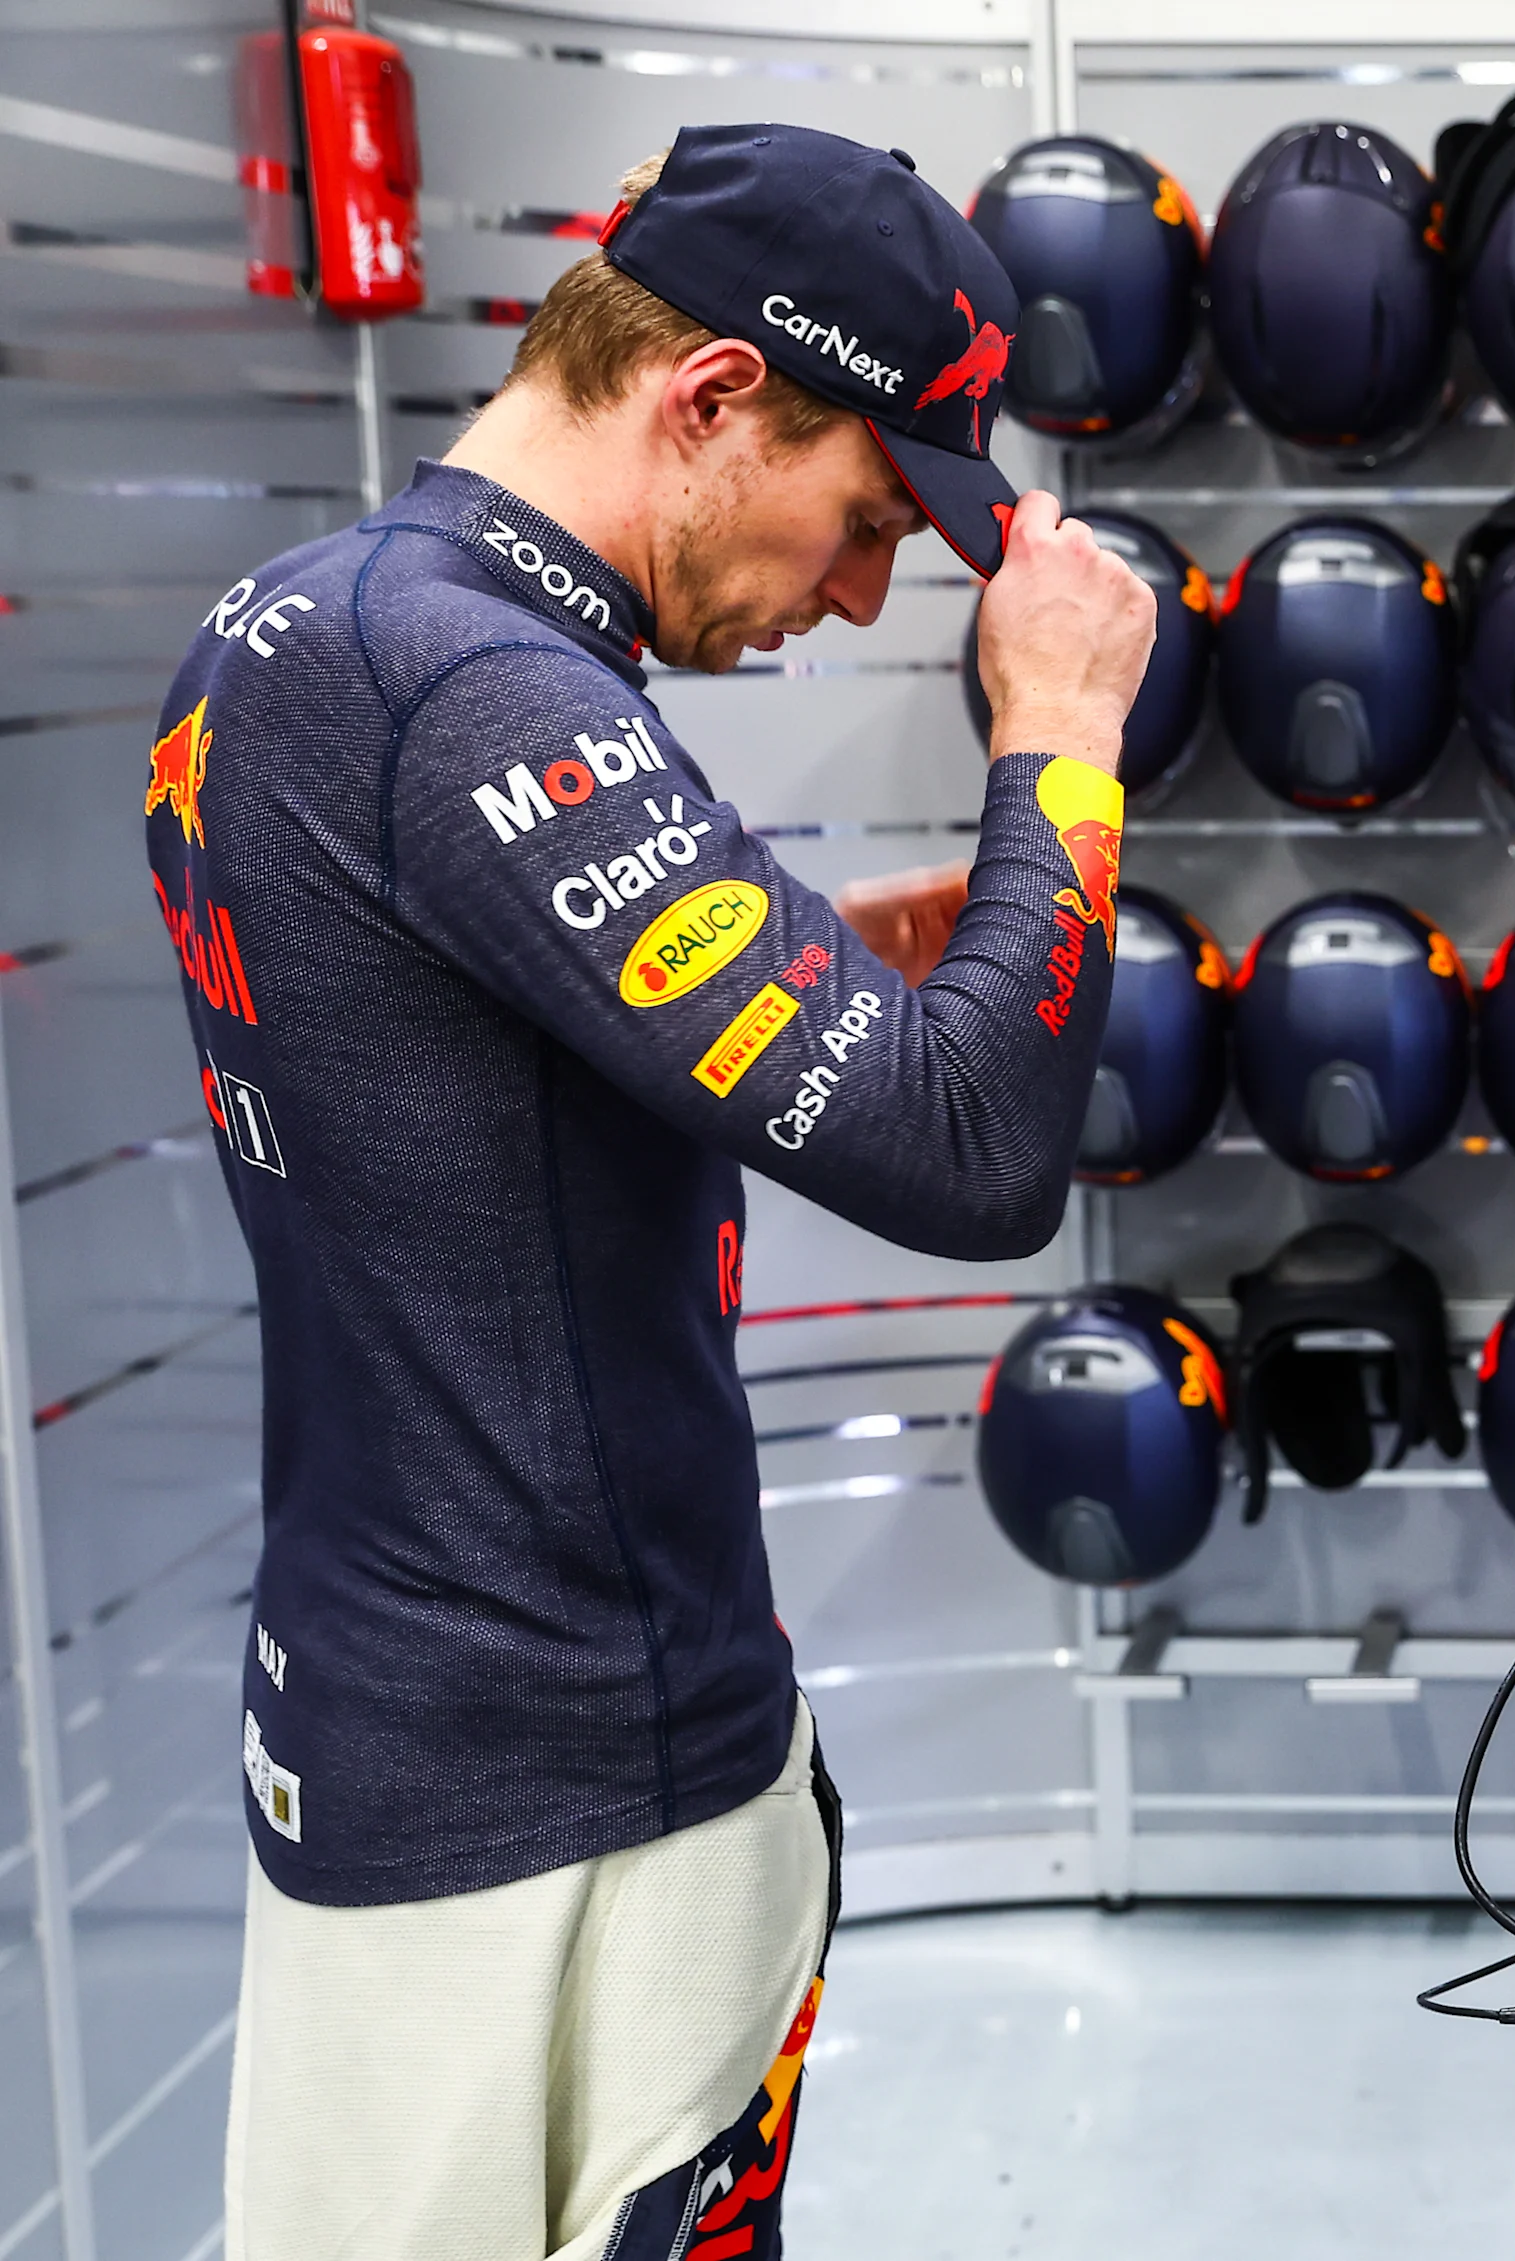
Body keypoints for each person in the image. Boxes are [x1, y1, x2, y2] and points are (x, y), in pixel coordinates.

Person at [142, 123, 1154, 2259]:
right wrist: (1059, 740)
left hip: (398, 1717)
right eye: (869, 512)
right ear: (706, 397)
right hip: (562, 1796)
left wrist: (841, 965)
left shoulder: (300, 630)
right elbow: (975, 1152)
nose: (868, 592)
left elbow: (451, 1065)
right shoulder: (489, 692)